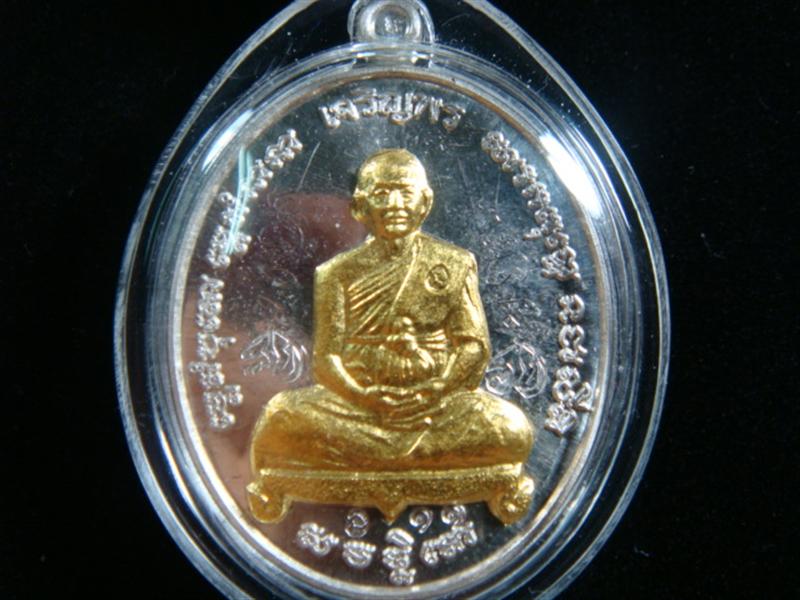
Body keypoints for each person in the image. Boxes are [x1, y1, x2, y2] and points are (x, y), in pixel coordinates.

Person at [248, 149, 534, 523]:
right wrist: (365, 397)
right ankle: (409, 456)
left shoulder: (454, 263)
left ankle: (381, 454)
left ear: (425, 202)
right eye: (381, 194)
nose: (395, 204)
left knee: (510, 428)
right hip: (357, 409)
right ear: (359, 207)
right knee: (280, 419)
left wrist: (437, 389)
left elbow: (473, 345)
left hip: (436, 407)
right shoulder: (336, 272)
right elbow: (326, 359)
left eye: (405, 192)